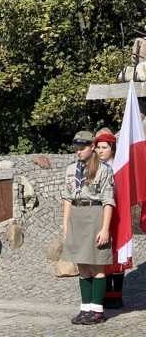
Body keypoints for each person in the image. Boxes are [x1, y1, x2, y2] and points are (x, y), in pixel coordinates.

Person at [61, 131, 115, 325]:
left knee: (97, 264)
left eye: (82, 148)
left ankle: (97, 310)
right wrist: (66, 225)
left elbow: (108, 200)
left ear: (92, 147)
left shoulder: (103, 169)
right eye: (76, 148)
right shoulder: (70, 169)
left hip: (95, 215)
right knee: (82, 265)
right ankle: (85, 308)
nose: (78, 152)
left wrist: (105, 228)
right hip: (77, 215)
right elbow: (67, 198)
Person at [95, 129, 130, 309]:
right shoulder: (95, 168)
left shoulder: (120, 166)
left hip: (119, 215)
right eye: (98, 147)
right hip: (101, 215)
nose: (100, 151)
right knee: (105, 254)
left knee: (118, 253)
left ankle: (117, 295)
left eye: (104, 147)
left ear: (112, 148)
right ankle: (106, 293)